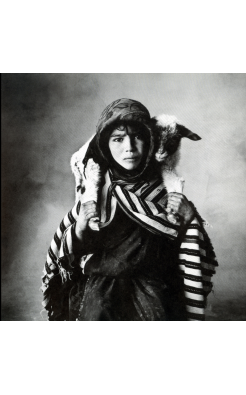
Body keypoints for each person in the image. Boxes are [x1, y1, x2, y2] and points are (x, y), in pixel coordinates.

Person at [41, 98, 218, 321]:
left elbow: (182, 243)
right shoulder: (96, 192)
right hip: (101, 285)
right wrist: (80, 229)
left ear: (151, 140)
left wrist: (187, 216)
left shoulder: (163, 189)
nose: (130, 147)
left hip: (151, 285)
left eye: (138, 137)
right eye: (118, 139)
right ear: (105, 145)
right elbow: (72, 252)